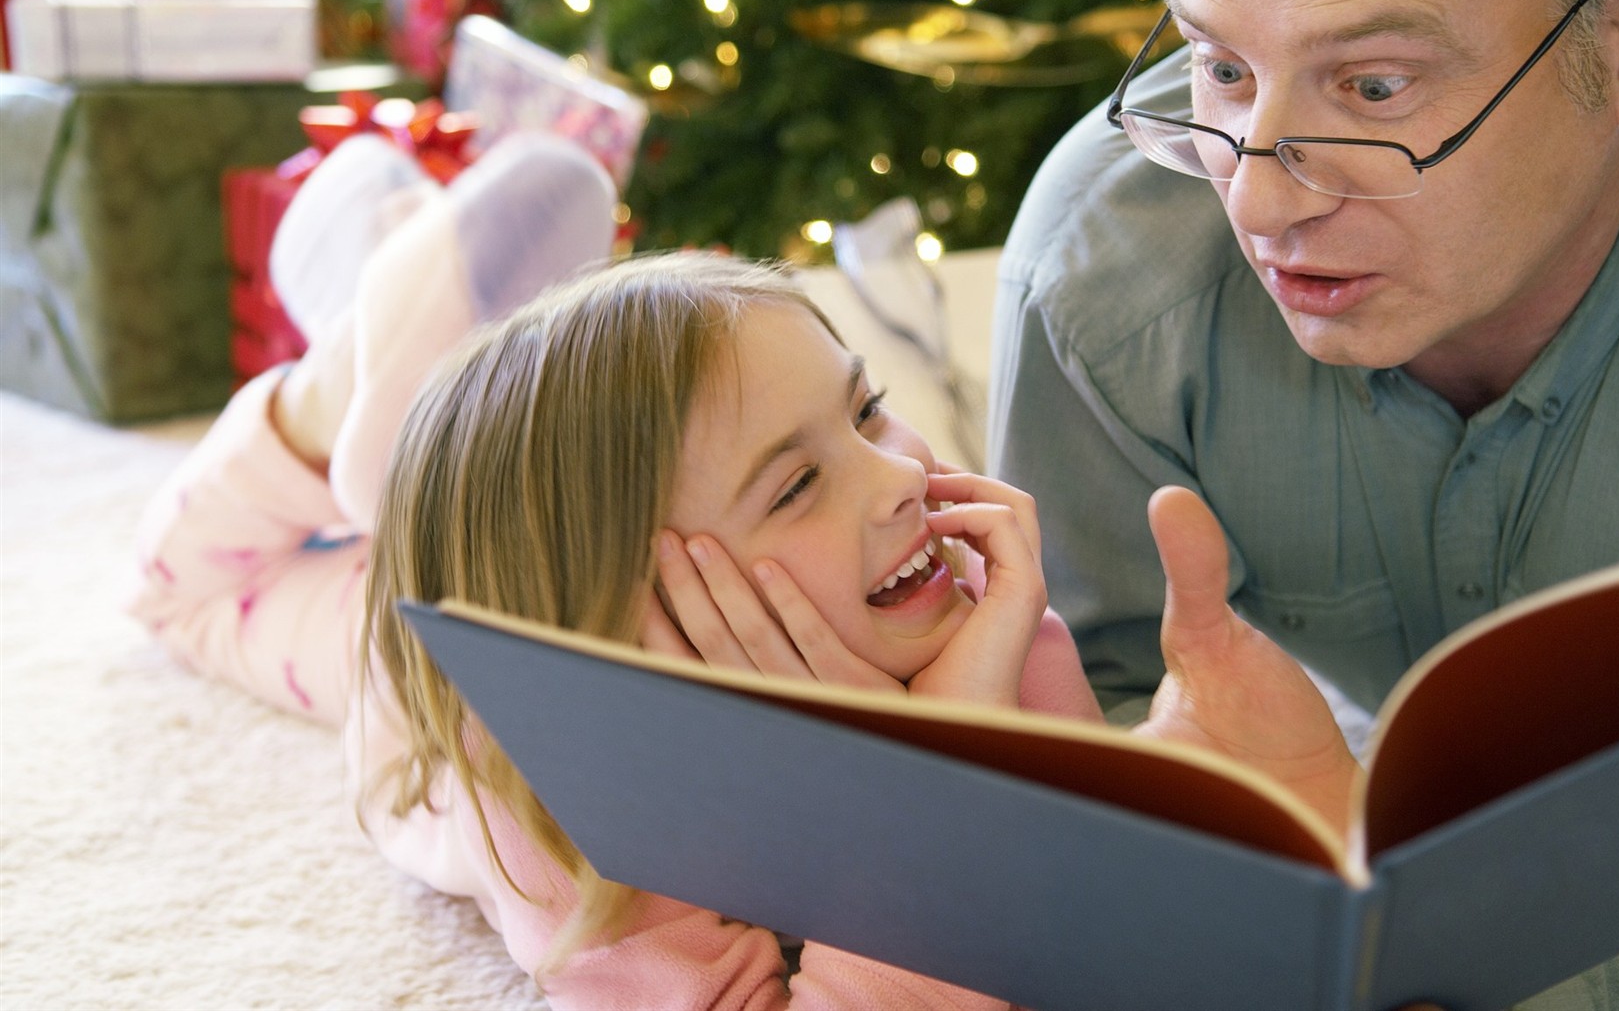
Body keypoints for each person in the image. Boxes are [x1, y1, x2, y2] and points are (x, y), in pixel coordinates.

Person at [130, 128, 1357, 1004]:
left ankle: (409, 302)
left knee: (461, 432)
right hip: (417, 657)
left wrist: (1164, 779)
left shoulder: (971, 613)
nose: (902, 478)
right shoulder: (555, 810)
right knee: (190, 589)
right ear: (639, 622)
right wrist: (940, 777)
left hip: (543, 531)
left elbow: (1069, 914)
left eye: (869, 410)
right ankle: (344, 380)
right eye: (799, 482)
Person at [988, 0, 1619, 1006]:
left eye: (1374, 88)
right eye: (1218, 65)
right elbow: (1097, 732)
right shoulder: (1102, 280)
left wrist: (1372, 916)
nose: (1259, 200)